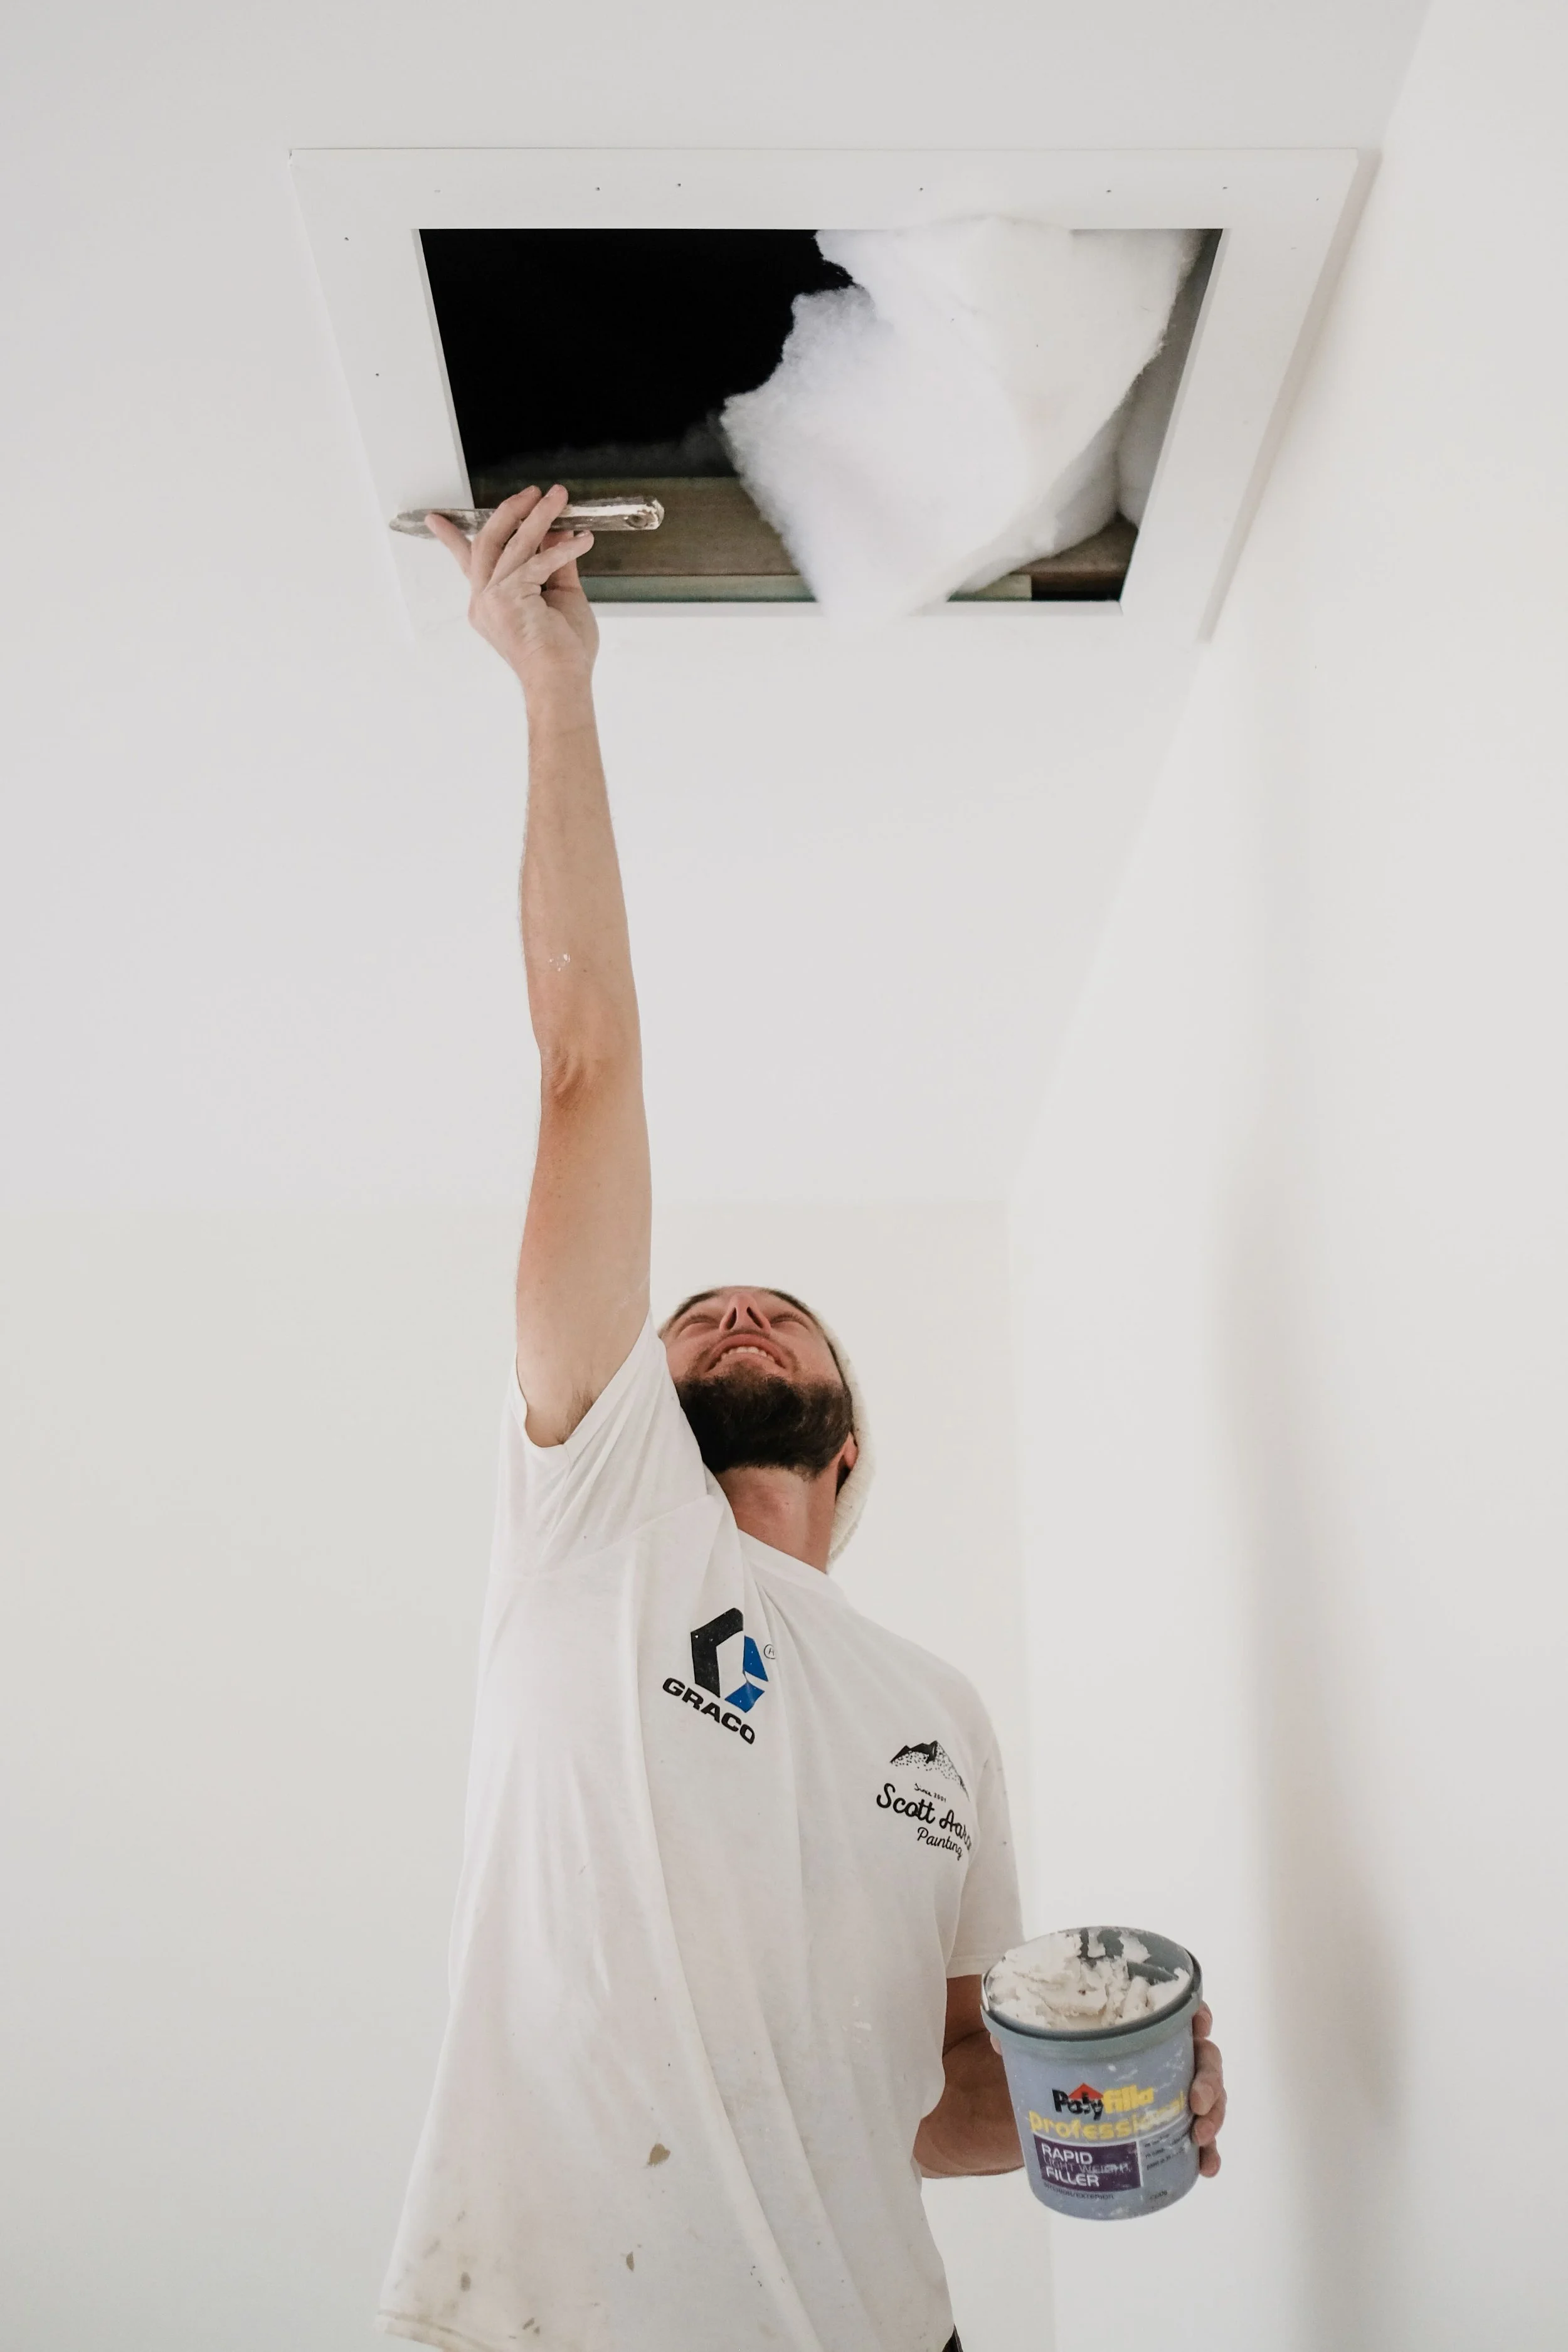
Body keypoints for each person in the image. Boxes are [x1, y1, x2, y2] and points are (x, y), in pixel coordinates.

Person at [376, 487, 1227, 2352]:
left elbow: (935, 2101)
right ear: (632, 1406)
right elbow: (581, 1062)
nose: (733, 1307)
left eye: (778, 1315)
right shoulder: (599, 1521)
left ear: (846, 1451)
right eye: (693, 1317)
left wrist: (1133, 2096)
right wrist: (552, 689)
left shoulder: (941, 1718)